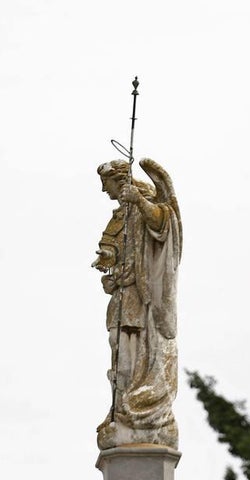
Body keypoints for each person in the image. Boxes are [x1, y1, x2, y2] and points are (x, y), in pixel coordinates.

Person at [94, 158, 183, 449]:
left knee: (132, 349)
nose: (103, 190)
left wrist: (139, 202)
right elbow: (113, 250)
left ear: (118, 180)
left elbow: (163, 223)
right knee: (117, 348)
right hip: (123, 294)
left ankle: (138, 409)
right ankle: (120, 408)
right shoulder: (118, 216)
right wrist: (107, 265)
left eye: (106, 184)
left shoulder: (142, 197)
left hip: (143, 295)